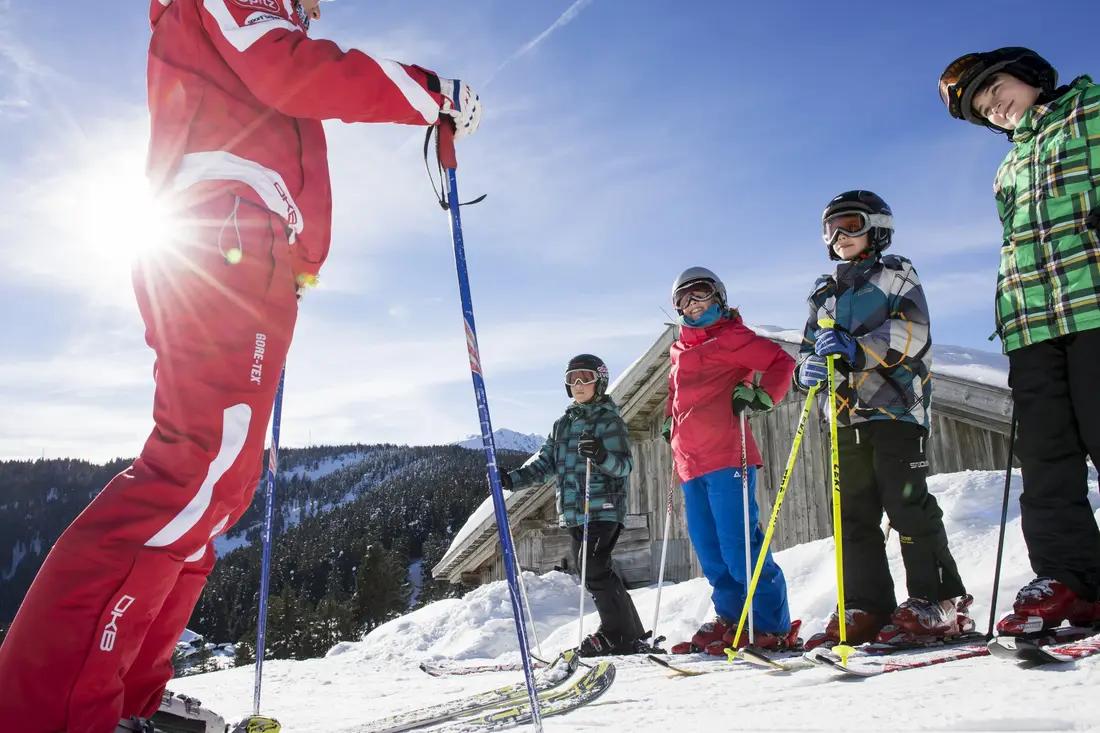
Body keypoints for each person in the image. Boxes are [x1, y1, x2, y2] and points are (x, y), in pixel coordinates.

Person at [0, 1, 481, 731]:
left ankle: (126, 693)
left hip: (247, 248)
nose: (320, 7)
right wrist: (426, 93)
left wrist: (299, 266)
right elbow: (290, 76)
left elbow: (284, 125)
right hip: (221, 234)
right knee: (192, 475)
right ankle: (49, 710)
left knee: (216, 489)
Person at [938, 47, 1100, 636]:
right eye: (983, 108)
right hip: (1031, 325)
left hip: (1093, 307)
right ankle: (1073, 580)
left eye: (995, 90)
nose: (995, 108)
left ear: (1028, 75)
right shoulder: (1009, 166)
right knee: (1046, 460)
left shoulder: (1091, 111)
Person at [795, 191, 972, 650]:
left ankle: (940, 601)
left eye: (849, 225)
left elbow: (913, 331)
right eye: (830, 229)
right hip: (845, 415)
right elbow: (809, 346)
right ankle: (866, 605)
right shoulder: (824, 292)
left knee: (906, 502)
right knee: (852, 513)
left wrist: (857, 350)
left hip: (896, 408)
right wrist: (804, 369)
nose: (838, 237)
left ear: (876, 228)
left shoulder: (897, 275)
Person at [664, 268, 799, 655]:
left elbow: (780, 363)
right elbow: (676, 393)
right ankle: (732, 617)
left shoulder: (732, 337)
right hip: (690, 462)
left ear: (719, 297)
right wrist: (668, 424)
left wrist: (761, 397)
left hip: (728, 454)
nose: (693, 304)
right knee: (710, 551)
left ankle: (772, 624)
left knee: (739, 545)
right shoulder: (678, 349)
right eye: (684, 300)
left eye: (700, 294)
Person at [501, 355, 658, 656]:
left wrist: (600, 455)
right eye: (572, 379)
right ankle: (630, 633)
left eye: (585, 378)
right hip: (574, 511)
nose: (578, 385)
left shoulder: (609, 420)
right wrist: (512, 480)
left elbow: (623, 466)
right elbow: (545, 465)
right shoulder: (562, 425)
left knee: (595, 568)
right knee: (594, 570)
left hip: (602, 507)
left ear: (599, 381)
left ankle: (616, 633)